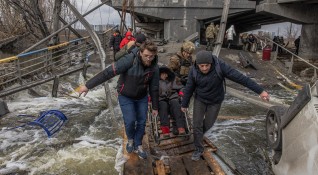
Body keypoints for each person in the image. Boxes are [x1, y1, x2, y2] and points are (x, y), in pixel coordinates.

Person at [181, 50, 270, 161]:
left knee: (208, 124)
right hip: (200, 99)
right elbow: (189, 88)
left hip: (215, 101)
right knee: (197, 124)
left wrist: (260, 91)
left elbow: (241, 78)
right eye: (201, 66)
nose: (204, 68)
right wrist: (184, 104)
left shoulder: (220, 66)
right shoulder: (193, 71)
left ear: (211, 63)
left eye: (207, 65)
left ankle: (197, 135)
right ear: (197, 64)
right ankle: (199, 148)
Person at [77, 40, 159, 159]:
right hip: (125, 96)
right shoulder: (129, 60)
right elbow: (108, 73)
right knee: (130, 121)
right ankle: (130, 140)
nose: (148, 59)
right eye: (146, 56)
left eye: (151, 56)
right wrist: (88, 85)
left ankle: (138, 144)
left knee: (141, 122)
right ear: (140, 52)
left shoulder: (154, 67)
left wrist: (155, 106)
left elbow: (154, 87)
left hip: (142, 97)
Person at [158, 65, 186, 138]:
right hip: (161, 99)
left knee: (176, 104)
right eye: (163, 74)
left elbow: (182, 87)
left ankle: (181, 127)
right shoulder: (155, 82)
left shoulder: (173, 80)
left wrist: (181, 92)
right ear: (159, 74)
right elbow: (149, 91)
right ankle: (165, 129)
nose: (165, 75)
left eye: (166, 73)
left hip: (173, 97)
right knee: (163, 106)